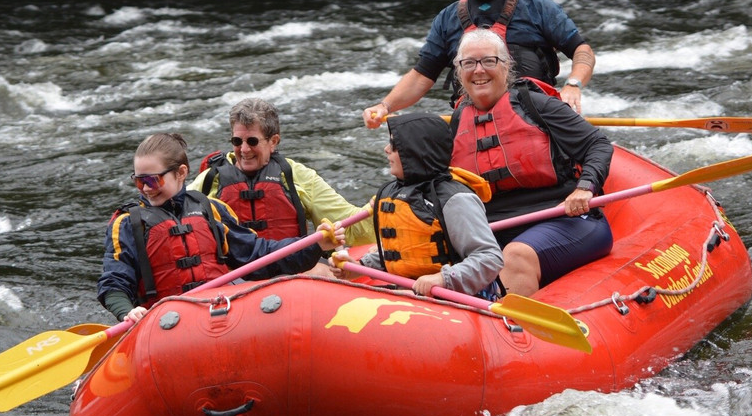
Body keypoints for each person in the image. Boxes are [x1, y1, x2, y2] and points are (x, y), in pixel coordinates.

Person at [97, 132, 345, 325]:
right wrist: (127, 312)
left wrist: (316, 244)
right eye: (139, 181)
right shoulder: (128, 223)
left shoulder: (210, 209)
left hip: (222, 315)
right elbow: (114, 281)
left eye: (153, 180)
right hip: (165, 325)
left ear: (181, 173)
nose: (146, 188)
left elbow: (259, 255)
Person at [364, 0, 595, 127]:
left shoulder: (536, 5)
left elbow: (582, 50)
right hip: (474, 127)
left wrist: (573, 85)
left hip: (536, 120)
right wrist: (386, 105)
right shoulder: (447, 18)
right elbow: (422, 75)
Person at [448, 28, 613, 297]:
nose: (479, 70)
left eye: (489, 61)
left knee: (515, 255)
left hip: (564, 220)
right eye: (469, 63)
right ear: (459, 70)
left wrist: (585, 186)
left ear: (506, 65)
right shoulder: (458, 121)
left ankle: (514, 333)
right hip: (494, 229)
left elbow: (598, 145)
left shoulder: (536, 105)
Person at [338, 112, 504, 299]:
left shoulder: (455, 199)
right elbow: (403, 251)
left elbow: (489, 257)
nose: (386, 149)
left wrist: (443, 278)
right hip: (411, 292)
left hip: (457, 297)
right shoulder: (394, 192)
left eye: (394, 145)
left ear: (416, 151)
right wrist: (358, 267)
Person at [189, 98, 375, 248]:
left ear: (273, 141)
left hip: (289, 270)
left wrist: (378, 211)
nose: (244, 149)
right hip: (232, 279)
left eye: (252, 141)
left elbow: (350, 225)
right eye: (237, 141)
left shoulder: (297, 176)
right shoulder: (211, 179)